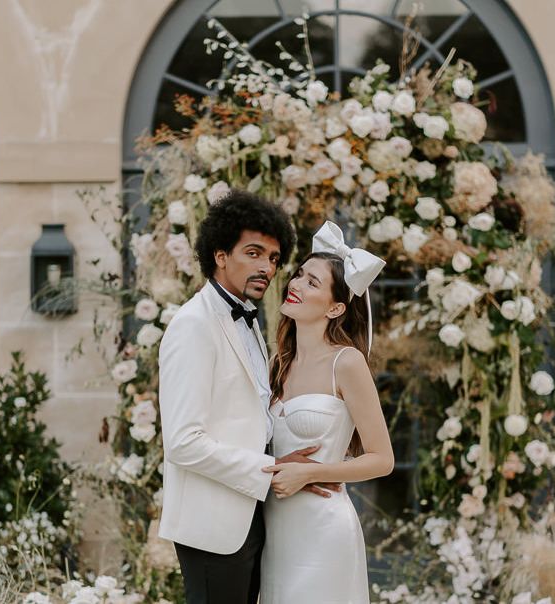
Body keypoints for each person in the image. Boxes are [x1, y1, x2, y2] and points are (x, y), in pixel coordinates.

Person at [157, 190, 338, 604]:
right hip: (213, 526)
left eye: (274, 258)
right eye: (254, 253)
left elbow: (253, 414)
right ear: (220, 255)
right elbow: (183, 443)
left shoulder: (248, 320)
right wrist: (272, 468)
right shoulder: (193, 325)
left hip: (251, 514)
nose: (266, 267)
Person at [260, 220, 395, 604]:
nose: (296, 285)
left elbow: (382, 460)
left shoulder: (346, 363)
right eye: (299, 275)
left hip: (323, 531)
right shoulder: (276, 362)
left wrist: (312, 472)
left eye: (312, 282)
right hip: (275, 529)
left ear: (336, 307)